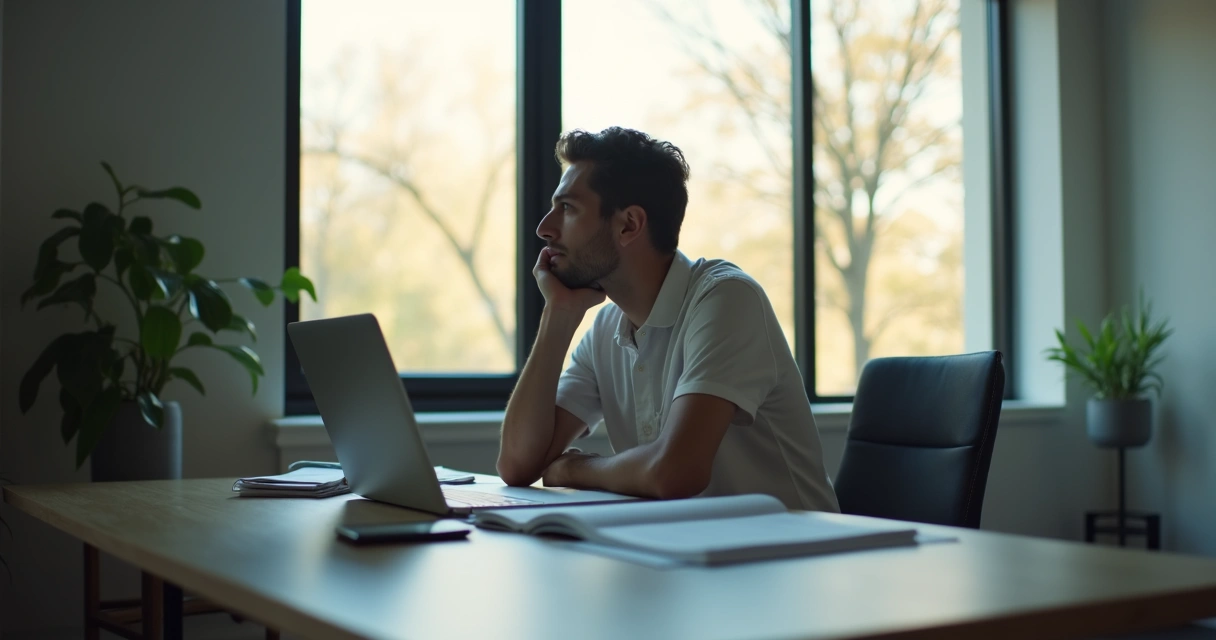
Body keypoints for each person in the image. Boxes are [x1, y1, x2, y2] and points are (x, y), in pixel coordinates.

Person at [496, 126, 839, 512]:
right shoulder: (607, 329)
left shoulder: (727, 298)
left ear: (629, 225)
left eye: (568, 209)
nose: (544, 228)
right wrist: (558, 315)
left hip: (793, 547)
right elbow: (517, 464)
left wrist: (574, 469)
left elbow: (675, 472)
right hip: (685, 544)